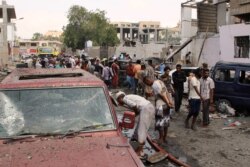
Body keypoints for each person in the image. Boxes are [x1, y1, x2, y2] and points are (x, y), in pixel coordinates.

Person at [116, 91, 155, 158]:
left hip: (145, 109)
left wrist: (134, 114)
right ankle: (137, 146)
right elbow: (135, 106)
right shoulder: (129, 96)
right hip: (149, 107)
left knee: (142, 130)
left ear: (120, 98)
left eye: (118, 100)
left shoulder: (125, 98)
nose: (119, 102)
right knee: (141, 128)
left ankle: (140, 152)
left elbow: (134, 106)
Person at [143, 77, 173, 144]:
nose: (147, 85)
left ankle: (161, 139)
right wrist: (169, 102)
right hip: (165, 105)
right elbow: (165, 92)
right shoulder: (160, 81)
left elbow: (162, 94)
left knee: (160, 123)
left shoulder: (154, 84)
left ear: (148, 80)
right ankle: (164, 138)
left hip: (161, 105)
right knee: (165, 121)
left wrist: (168, 103)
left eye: (146, 83)